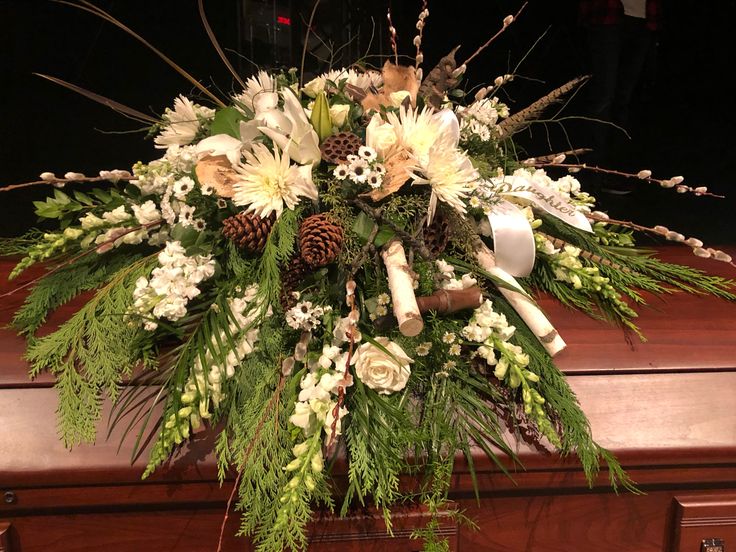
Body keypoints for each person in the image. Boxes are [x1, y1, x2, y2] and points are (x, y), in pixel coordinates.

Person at [578, 0, 661, 195]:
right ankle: (592, 178)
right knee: (602, 99)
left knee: (623, 101)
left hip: (643, 19)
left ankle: (610, 174)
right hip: (608, 16)